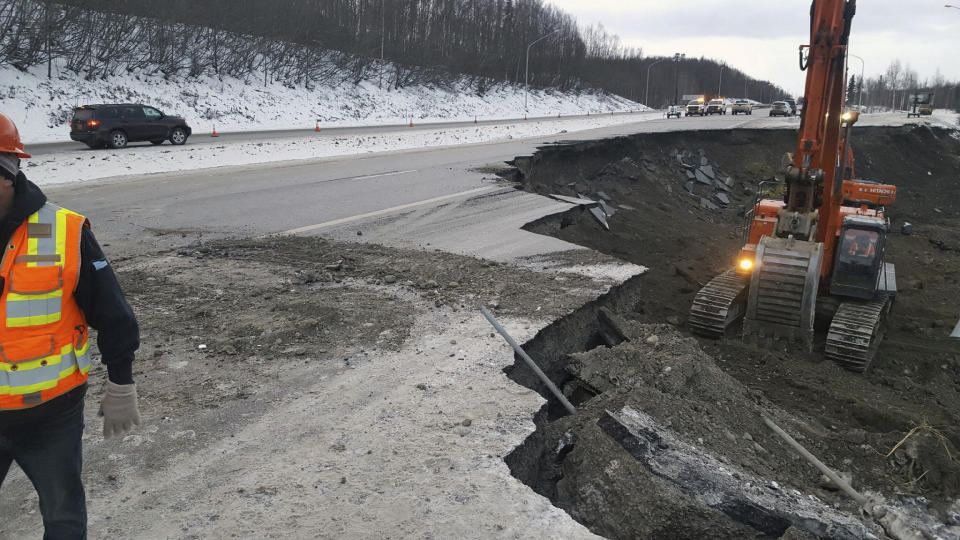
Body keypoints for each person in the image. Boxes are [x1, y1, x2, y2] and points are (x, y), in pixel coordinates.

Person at [0, 112, 141, 539]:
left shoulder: (64, 230)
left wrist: (121, 382)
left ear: (7, 172)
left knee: (62, 518)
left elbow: (113, 314)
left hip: (50, 415)